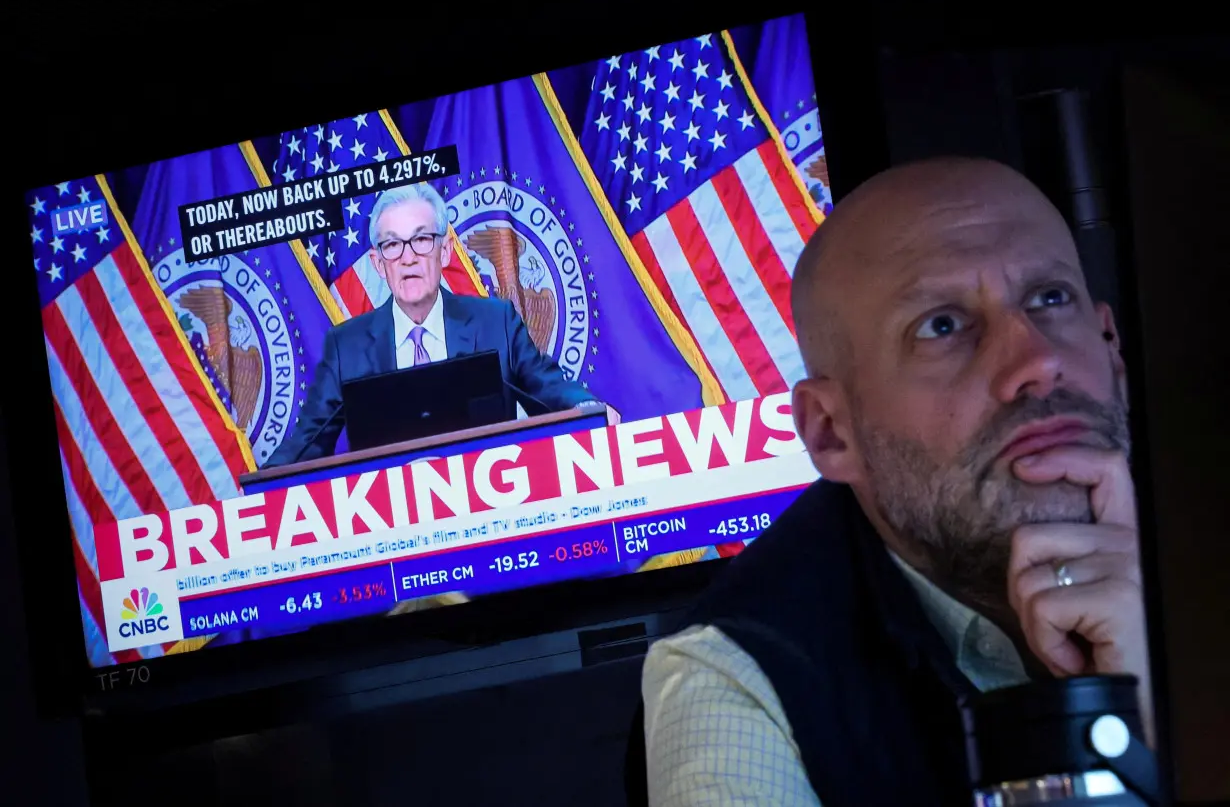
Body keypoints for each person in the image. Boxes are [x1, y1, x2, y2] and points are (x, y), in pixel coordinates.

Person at [640, 157, 1151, 806]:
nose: (1037, 361)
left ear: (1111, 347)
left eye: (1050, 298)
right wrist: (1138, 743)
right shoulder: (743, 676)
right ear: (831, 431)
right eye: (942, 326)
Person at [266, 182, 601, 466]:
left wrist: (588, 408)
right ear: (378, 263)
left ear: (445, 252)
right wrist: (254, 490)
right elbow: (307, 443)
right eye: (393, 244)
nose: (408, 257)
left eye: (421, 239)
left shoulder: (494, 321)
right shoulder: (346, 348)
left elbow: (548, 388)